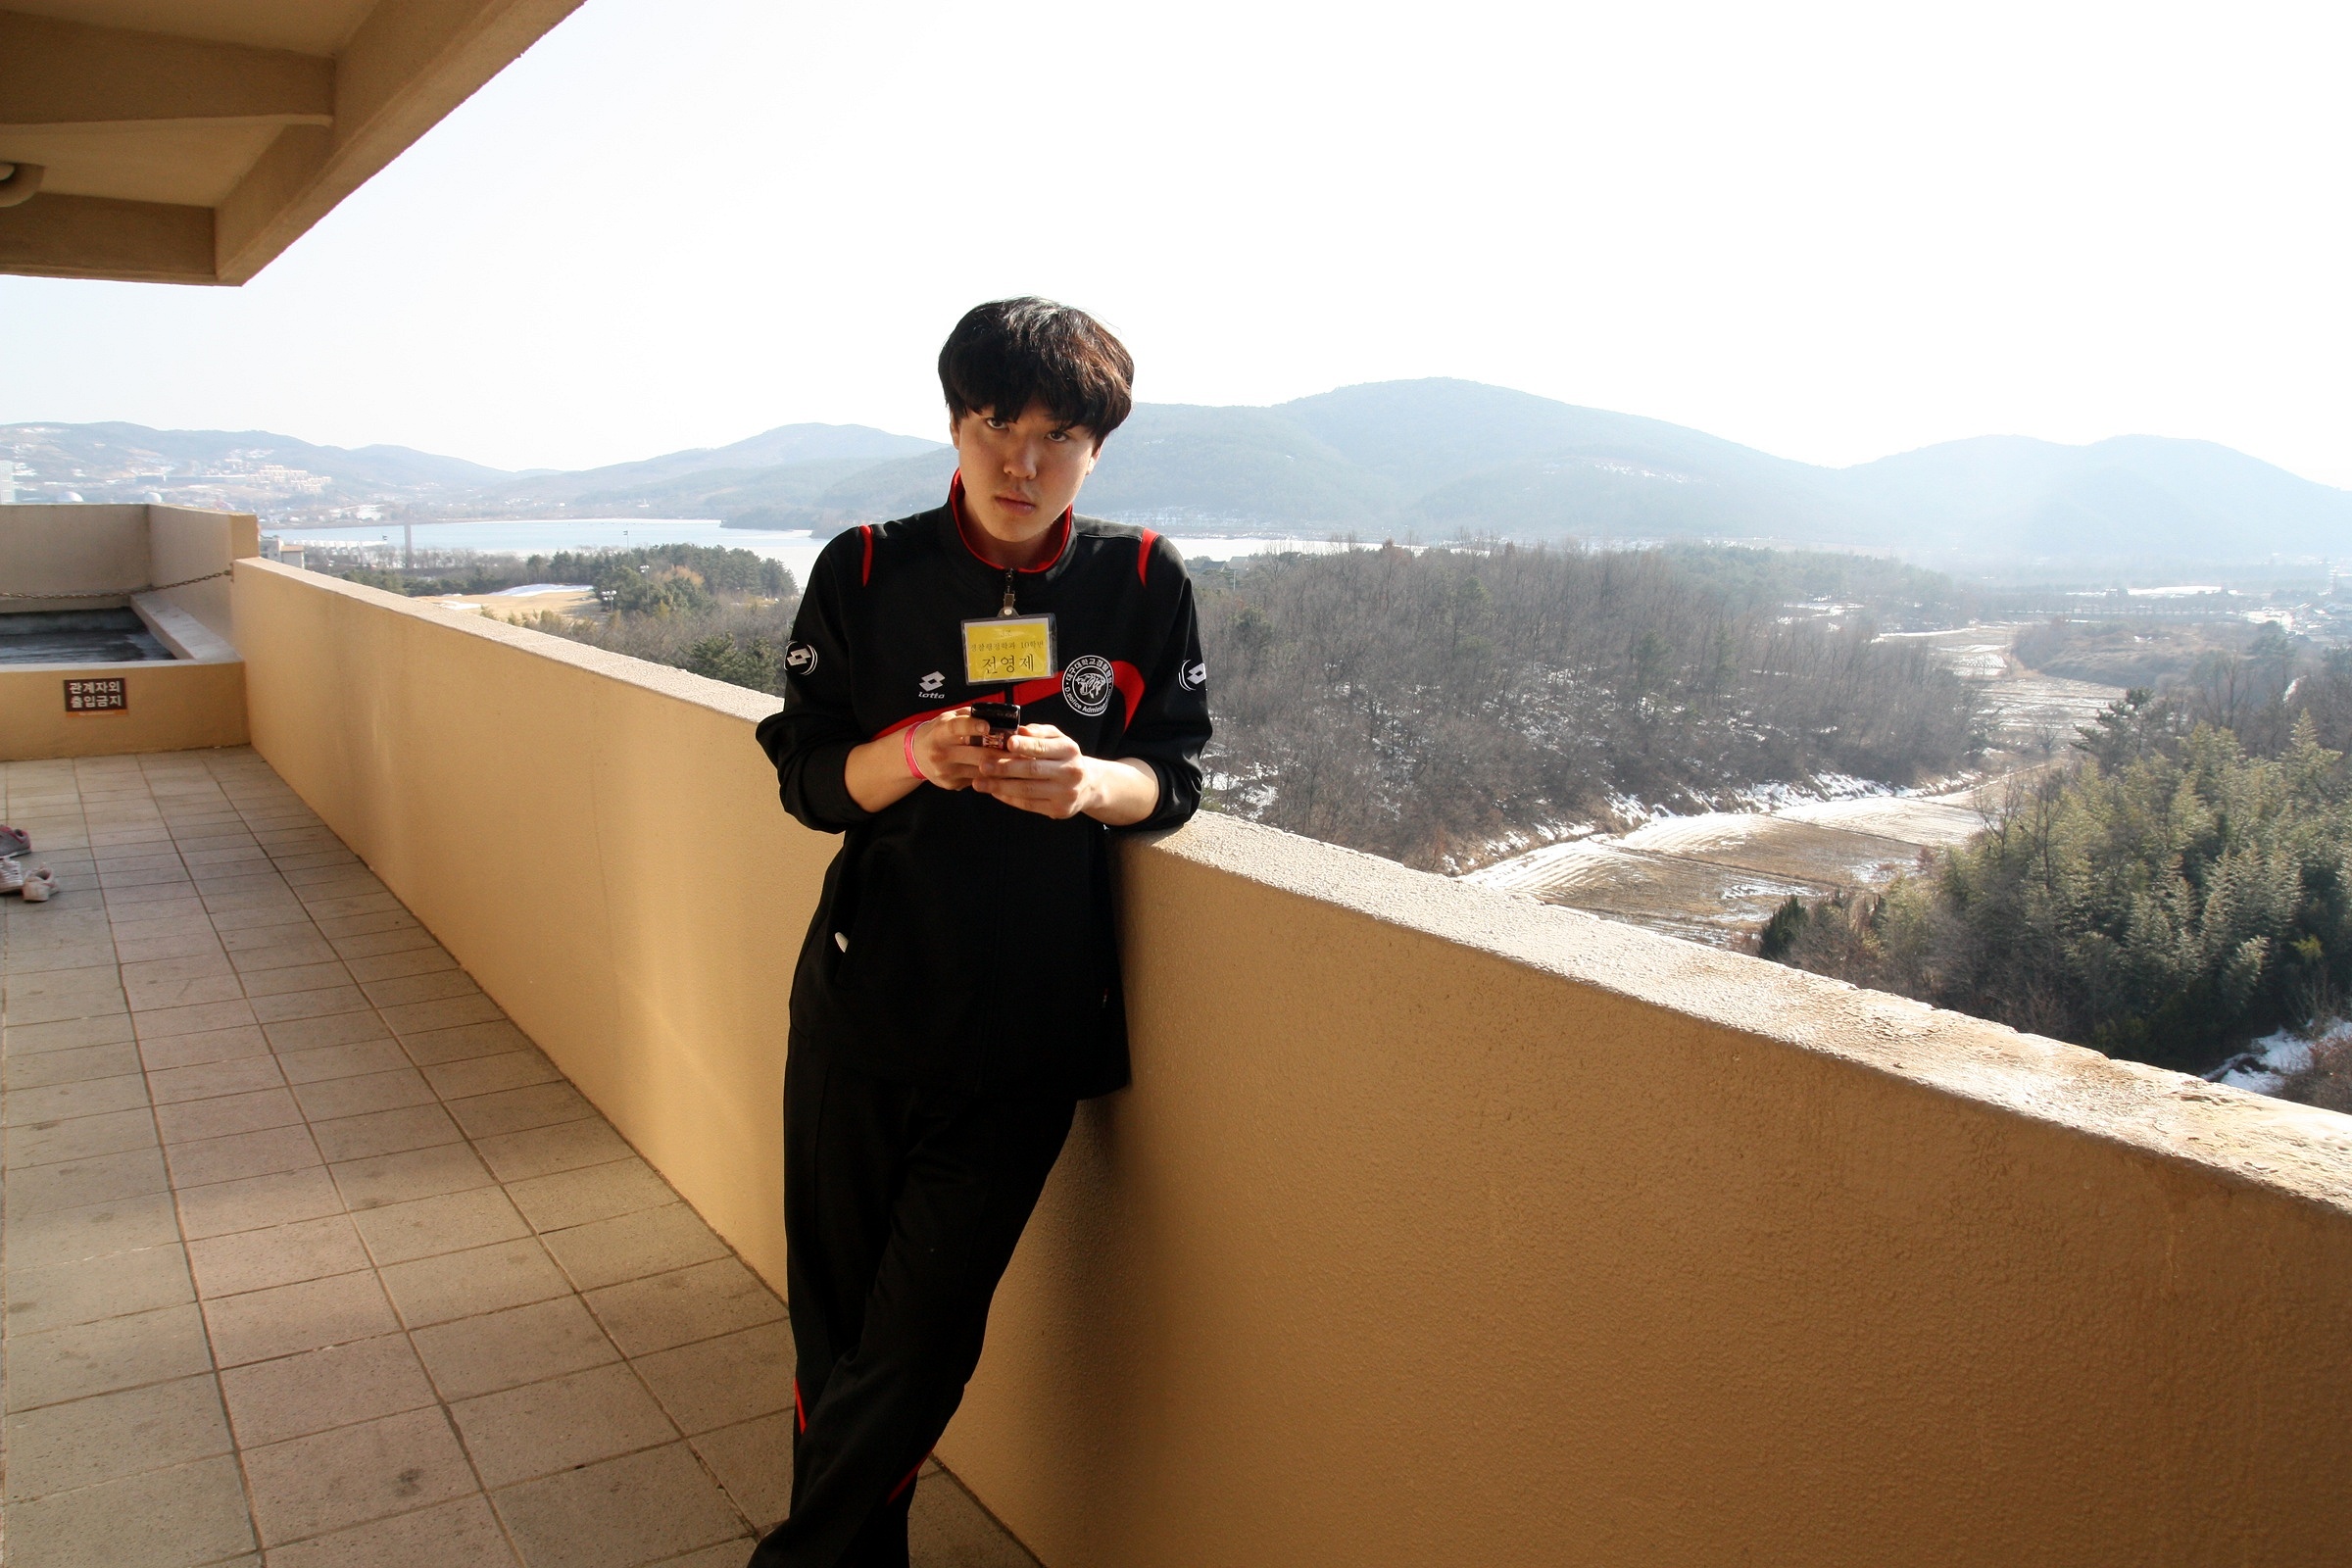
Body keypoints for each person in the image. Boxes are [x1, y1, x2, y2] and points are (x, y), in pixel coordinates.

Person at [748, 298, 1210, 1567]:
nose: (1023, 463)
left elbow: (1173, 778)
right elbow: (807, 780)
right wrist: (912, 753)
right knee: (837, 1341)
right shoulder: (863, 570)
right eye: (998, 426)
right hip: (860, 1010)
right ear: (954, 425)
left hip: (1028, 1029)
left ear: (1096, 451)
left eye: (1059, 437)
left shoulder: (1142, 581)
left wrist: (1087, 782)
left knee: (920, 1346)